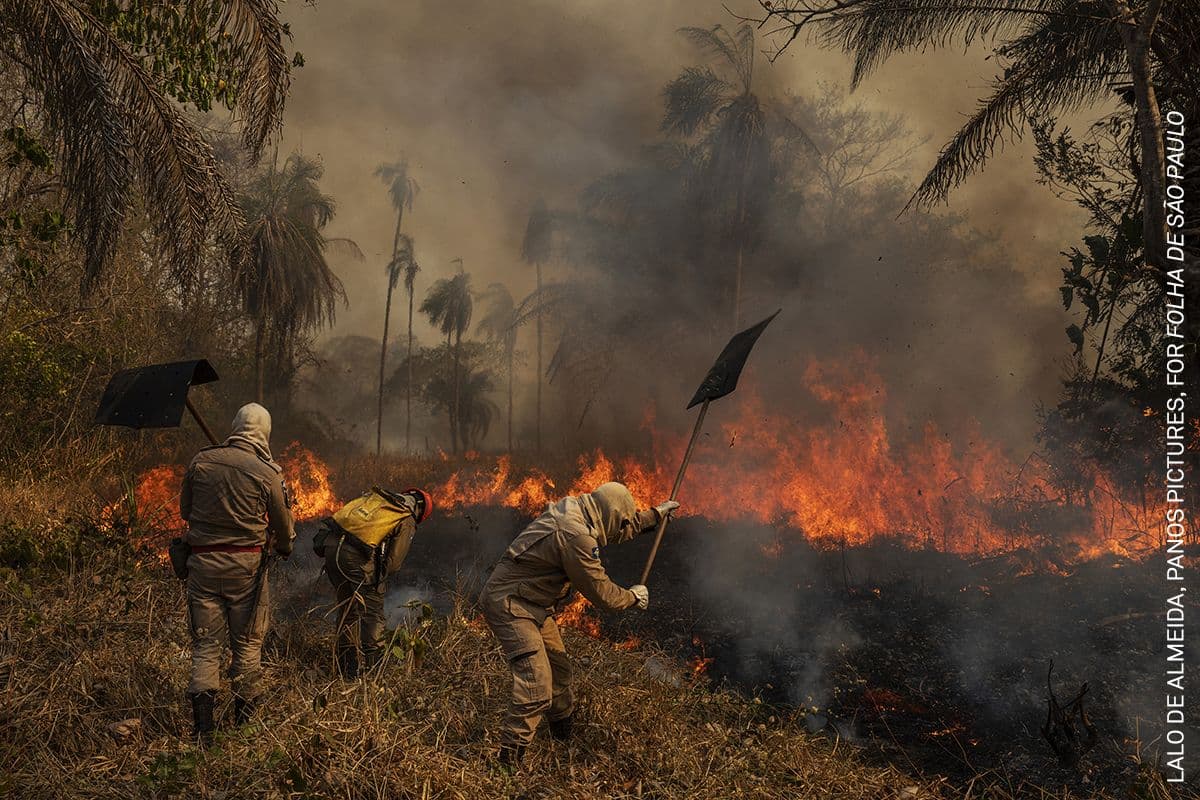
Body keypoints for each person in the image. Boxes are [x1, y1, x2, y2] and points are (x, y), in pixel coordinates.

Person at [479, 481, 678, 766]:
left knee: (560, 672)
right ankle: (507, 762)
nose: (622, 528)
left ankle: (562, 741)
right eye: (621, 521)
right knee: (537, 685)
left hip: (535, 603)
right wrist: (632, 597)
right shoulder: (575, 535)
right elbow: (602, 593)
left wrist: (656, 515)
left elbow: (618, 525)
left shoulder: (581, 508)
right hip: (512, 605)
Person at [179, 402, 294, 740]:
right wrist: (283, 547)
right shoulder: (268, 472)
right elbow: (284, 529)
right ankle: (243, 729)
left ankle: (204, 731)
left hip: (202, 566)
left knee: (205, 646)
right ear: (265, 432)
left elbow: (186, 511)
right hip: (247, 571)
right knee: (246, 644)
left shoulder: (201, 460)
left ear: (235, 425)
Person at [315, 486, 433, 679]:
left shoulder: (378, 499)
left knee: (348, 609)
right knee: (372, 612)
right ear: (420, 510)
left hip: (331, 547)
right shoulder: (406, 517)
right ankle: (374, 671)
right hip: (354, 558)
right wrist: (377, 582)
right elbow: (394, 564)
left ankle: (347, 670)